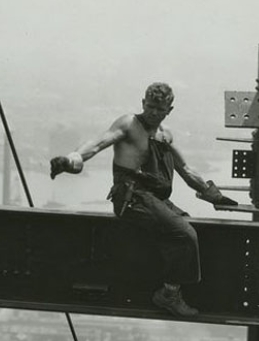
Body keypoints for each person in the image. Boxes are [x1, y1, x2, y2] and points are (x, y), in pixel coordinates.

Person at [50, 82, 237, 317]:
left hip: (152, 199)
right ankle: (168, 295)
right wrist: (71, 160)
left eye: (160, 109)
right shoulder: (129, 124)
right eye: (150, 107)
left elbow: (186, 170)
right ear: (142, 103)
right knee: (185, 234)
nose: (154, 113)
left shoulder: (164, 136)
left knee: (188, 225)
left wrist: (214, 196)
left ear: (170, 109)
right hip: (132, 197)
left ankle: (167, 282)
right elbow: (98, 144)